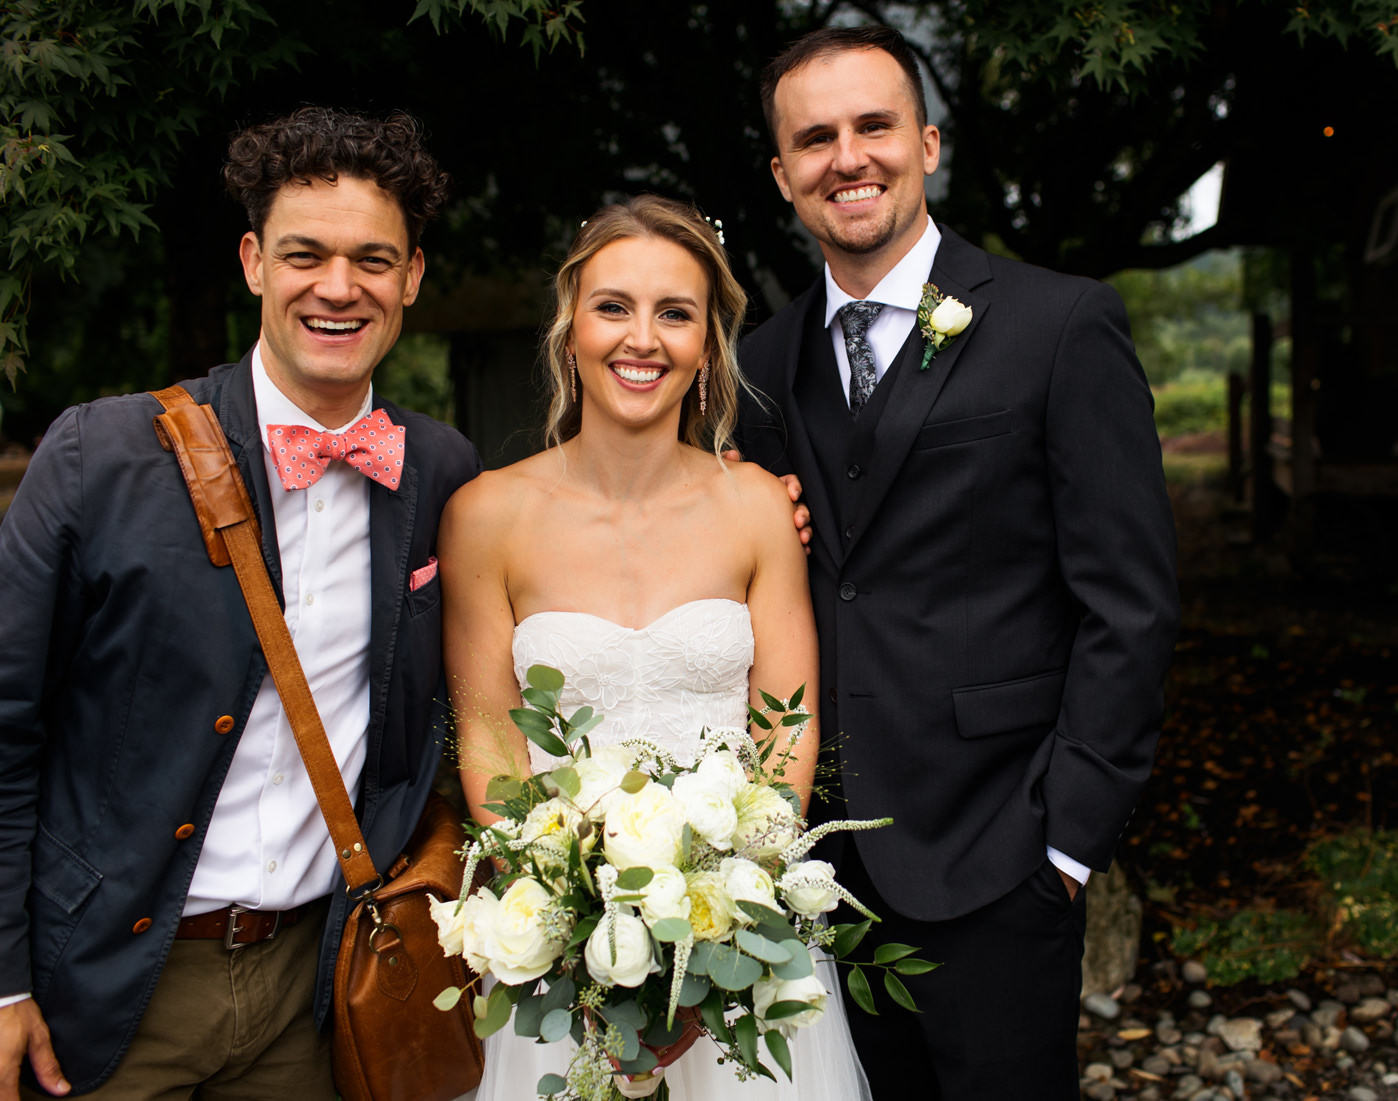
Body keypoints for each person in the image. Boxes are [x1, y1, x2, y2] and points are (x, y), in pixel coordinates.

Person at [735, 25, 1181, 1100]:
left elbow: (1129, 603)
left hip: (999, 851)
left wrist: (1066, 842)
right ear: (783, 174)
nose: (848, 158)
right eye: (815, 138)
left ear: (926, 145)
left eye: (874, 126)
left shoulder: (1059, 324)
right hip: (815, 879)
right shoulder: (757, 366)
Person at [0, 107, 481, 1099]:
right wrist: (2, 981)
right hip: (107, 987)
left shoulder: (440, 470)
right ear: (255, 262)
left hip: (316, 990)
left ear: (412, 277)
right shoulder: (98, 457)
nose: (339, 287)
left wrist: (732, 493)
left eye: (373, 259)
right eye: (306, 254)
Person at [440, 195, 870, 1101]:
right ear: (571, 332)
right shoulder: (486, 515)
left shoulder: (758, 507)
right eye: (613, 307)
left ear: (707, 347)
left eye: (675, 313)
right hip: (564, 957)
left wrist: (728, 918)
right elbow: (489, 741)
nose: (643, 338)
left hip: (737, 944)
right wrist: (563, 922)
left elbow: (784, 731)